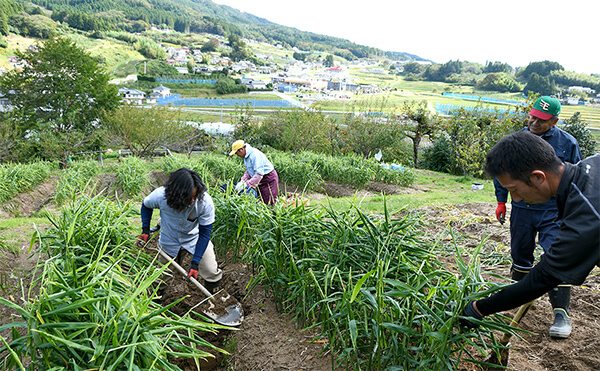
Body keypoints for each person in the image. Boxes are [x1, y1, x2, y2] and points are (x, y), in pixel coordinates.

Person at [462, 131, 599, 331]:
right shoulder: (591, 167)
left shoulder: (586, 214)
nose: (515, 199)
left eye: (514, 190)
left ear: (538, 177)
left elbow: (543, 278)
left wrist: (478, 308)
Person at [493, 96, 582, 338]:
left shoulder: (567, 143)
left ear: (554, 121)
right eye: (532, 116)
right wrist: (502, 200)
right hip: (522, 210)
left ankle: (561, 313)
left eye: (541, 120)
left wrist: (571, 210)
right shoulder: (516, 142)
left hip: (553, 210)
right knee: (520, 255)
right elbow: (501, 172)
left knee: (556, 255)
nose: (533, 122)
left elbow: (576, 177)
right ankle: (516, 302)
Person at [137, 168, 222, 298]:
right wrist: (145, 230)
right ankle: (156, 303)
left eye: (194, 196)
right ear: (177, 195)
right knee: (162, 278)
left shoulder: (204, 203)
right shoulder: (160, 196)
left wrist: (195, 263)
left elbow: (205, 234)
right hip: (169, 239)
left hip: (194, 238)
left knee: (211, 270)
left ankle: (215, 302)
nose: (192, 201)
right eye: (189, 198)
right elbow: (146, 205)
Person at [230, 140, 279, 205]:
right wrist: (243, 180)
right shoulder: (246, 156)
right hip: (260, 180)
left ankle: (272, 214)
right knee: (261, 201)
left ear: (241, 149)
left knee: (268, 202)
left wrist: (247, 184)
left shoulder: (255, 155)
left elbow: (259, 174)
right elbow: (249, 170)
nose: (237, 155)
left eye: (236, 153)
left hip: (268, 179)